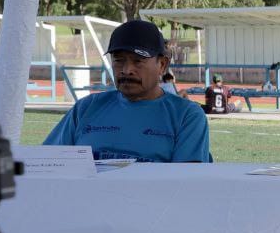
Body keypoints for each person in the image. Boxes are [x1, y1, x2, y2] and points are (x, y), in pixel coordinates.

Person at [44, 20, 210, 163]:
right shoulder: (85, 108)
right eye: (118, 60)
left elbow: (186, 184)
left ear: (162, 65)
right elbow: (48, 162)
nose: (127, 70)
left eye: (138, 61)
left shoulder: (186, 116)